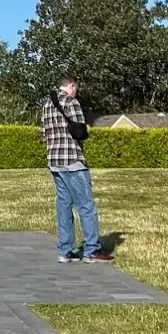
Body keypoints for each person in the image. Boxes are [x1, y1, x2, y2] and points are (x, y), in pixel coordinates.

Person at [40, 75, 113, 264]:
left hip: (54, 160)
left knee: (64, 205)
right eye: (75, 88)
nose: (76, 92)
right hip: (73, 159)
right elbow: (80, 131)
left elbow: (43, 133)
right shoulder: (72, 103)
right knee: (86, 206)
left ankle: (65, 250)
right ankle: (92, 251)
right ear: (70, 86)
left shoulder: (47, 105)